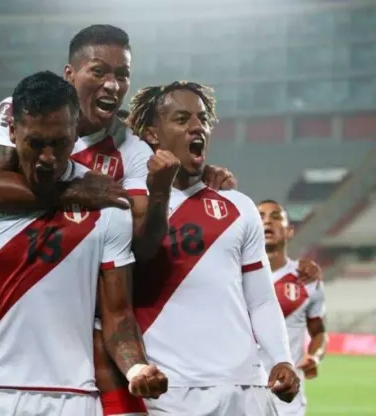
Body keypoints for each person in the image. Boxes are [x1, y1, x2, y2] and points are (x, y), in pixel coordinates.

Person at [0, 24, 237, 416]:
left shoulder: (129, 148)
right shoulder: (19, 109)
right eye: (99, 71)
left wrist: (191, 178)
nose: (113, 84)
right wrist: (79, 194)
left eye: (122, 74)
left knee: (103, 343)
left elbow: (142, 245)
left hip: (77, 286)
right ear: (71, 74)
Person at [0, 71, 168, 416]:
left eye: (59, 143)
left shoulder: (107, 204)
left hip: (73, 398)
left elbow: (117, 316)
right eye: (35, 143)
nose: (47, 158)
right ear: (13, 133)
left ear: (76, 133)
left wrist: (137, 368)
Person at [122, 81, 300, 415]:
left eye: (202, 118)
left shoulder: (239, 206)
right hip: (171, 393)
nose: (196, 126)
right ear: (152, 134)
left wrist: (281, 359)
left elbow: (260, 297)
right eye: (181, 118)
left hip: (247, 388)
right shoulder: (127, 204)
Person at [257, 200, 329, 416]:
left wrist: (315, 356)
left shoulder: (307, 279)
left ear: (289, 231)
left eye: (276, 216)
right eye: (260, 217)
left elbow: (319, 332)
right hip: (241, 395)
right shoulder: (232, 276)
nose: (267, 221)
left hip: (286, 401)